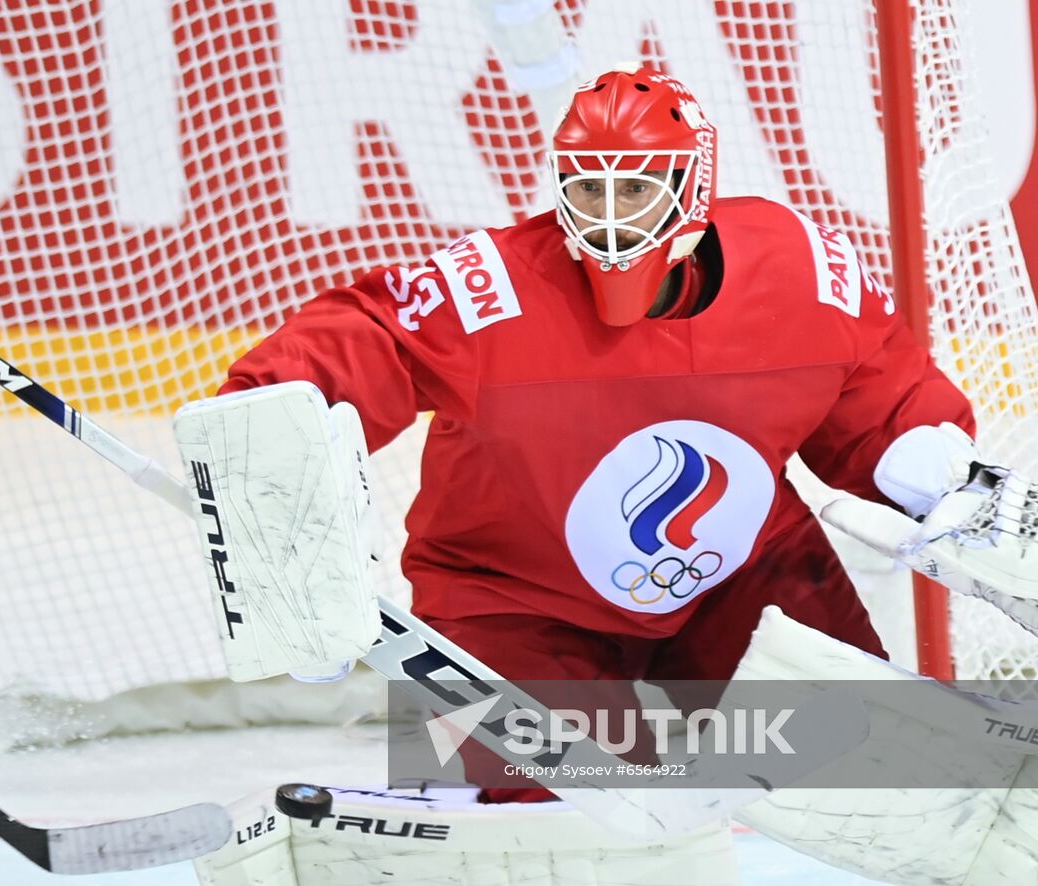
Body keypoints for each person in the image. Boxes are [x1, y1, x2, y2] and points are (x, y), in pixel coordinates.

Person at [214, 64, 977, 802]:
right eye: (588, 188)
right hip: (509, 599)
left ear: (692, 190)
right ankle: (459, 780)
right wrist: (266, 422)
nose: (610, 215)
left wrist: (919, 446)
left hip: (737, 577)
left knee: (865, 766)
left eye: (637, 189)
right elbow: (366, 334)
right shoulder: (493, 288)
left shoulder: (797, 269)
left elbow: (877, 377)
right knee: (569, 815)